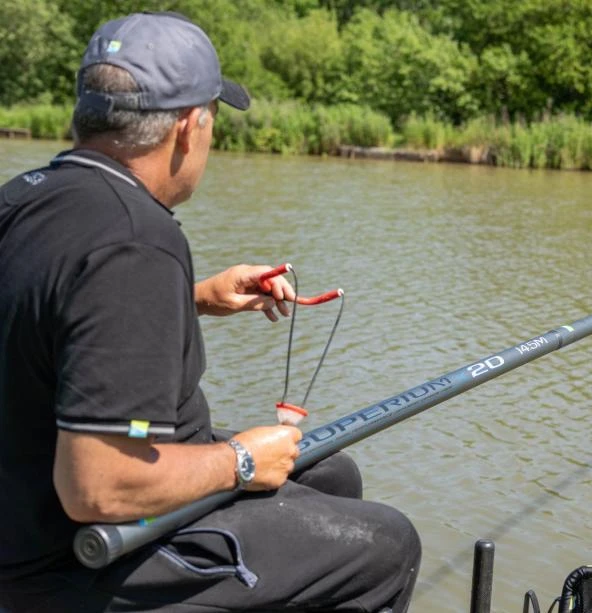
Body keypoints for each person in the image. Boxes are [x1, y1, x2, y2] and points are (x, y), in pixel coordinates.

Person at [0, 12, 420, 613]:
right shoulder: (135, 239)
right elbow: (98, 485)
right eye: (213, 120)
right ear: (187, 128)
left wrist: (192, 298)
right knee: (387, 543)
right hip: (74, 562)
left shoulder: (27, 195)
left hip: (20, 515)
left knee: (330, 474)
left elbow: (43, 316)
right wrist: (240, 462)